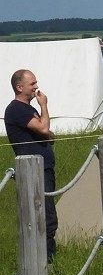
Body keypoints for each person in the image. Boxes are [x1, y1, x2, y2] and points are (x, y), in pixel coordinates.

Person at [5, 70, 58, 262]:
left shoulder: (27, 110)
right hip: (34, 170)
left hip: (43, 167)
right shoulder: (17, 109)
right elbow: (45, 129)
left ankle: (47, 259)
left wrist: (46, 133)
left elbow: (49, 136)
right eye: (32, 84)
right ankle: (45, 262)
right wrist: (44, 106)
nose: (36, 87)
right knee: (44, 218)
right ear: (20, 87)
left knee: (48, 216)